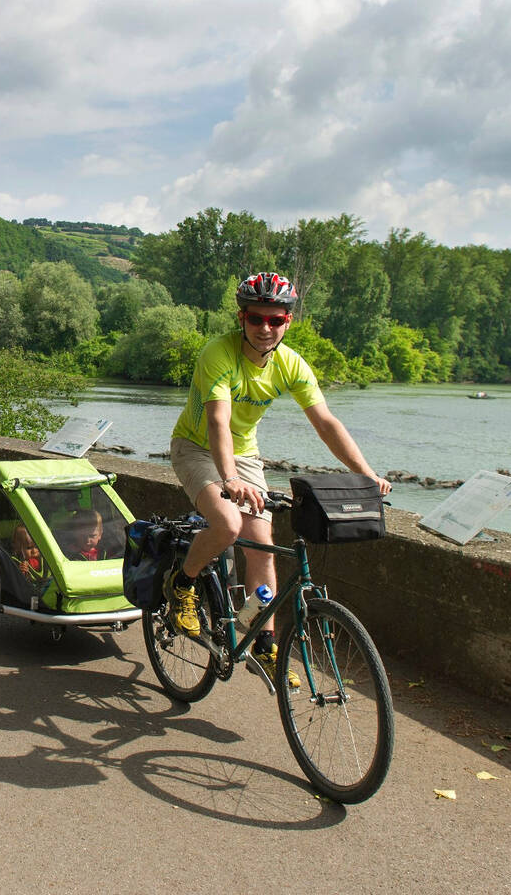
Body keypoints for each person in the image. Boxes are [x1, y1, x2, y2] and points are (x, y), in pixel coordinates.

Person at [166, 272, 391, 651]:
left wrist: (366, 475)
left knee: (262, 543)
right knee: (227, 524)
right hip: (196, 448)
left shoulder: (289, 364)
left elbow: (325, 422)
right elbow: (218, 419)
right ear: (242, 319)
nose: (265, 328)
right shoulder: (218, 353)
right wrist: (229, 478)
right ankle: (182, 583)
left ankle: (264, 639)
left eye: (276, 320)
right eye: (256, 318)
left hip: (245, 455)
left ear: (288, 321)